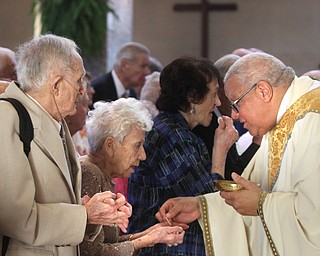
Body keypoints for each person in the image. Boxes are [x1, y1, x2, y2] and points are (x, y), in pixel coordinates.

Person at [156, 52, 320, 256]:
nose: (233, 114)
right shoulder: (281, 120)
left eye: (237, 103)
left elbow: (314, 219)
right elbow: (250, 195)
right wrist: (202, 206)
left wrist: (261, 205)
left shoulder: (314, 121)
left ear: (263, 91)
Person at [0, 34, 132, 256]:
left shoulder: (55, 121)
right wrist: (85, 215)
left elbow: (55, 199)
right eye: (79, 80)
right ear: (57, 85)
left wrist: (96, 212)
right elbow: (15, 218)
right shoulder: (7, 117)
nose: (83, 90)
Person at [128, 56, 239, 255]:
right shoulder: (172, 138)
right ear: (192, 97)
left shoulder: (176, 131)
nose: (218, 102)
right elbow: (207, 201)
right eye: (213, 94)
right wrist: (219, 153)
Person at [79, 98, 185, 255]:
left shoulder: (99, 174)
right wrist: (149, 239)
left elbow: (110, 244)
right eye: (137, 146)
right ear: (110, 145)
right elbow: (93, 253)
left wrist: (151, 233)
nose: (142, 155)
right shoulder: (90, 174)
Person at [91, 41, 151, 199]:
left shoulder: (131, 92)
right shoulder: (98, 88)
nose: (147, 72)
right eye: (142, 66)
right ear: (124, 64)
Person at [192, 54, 261, 179]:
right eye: (238, 91)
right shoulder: (202, 125)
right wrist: (256, 144)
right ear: (221, 89)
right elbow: (230, 177)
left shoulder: (225, 117)